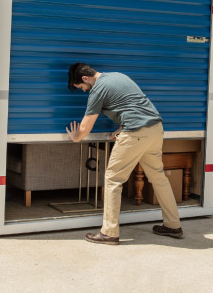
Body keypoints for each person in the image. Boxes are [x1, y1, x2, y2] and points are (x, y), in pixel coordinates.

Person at [66, 63, 183, 245]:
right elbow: (135, 106)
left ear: (85, 79)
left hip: (135, 133)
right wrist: (120, 129)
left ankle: (109, 232)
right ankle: (173, 225)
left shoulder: (98, 89)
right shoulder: (118, 76)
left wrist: (76, 137)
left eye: (81, 87)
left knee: (113, 179)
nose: (83, 91)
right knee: (159, 178)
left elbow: (85, 127)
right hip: (155, 129)